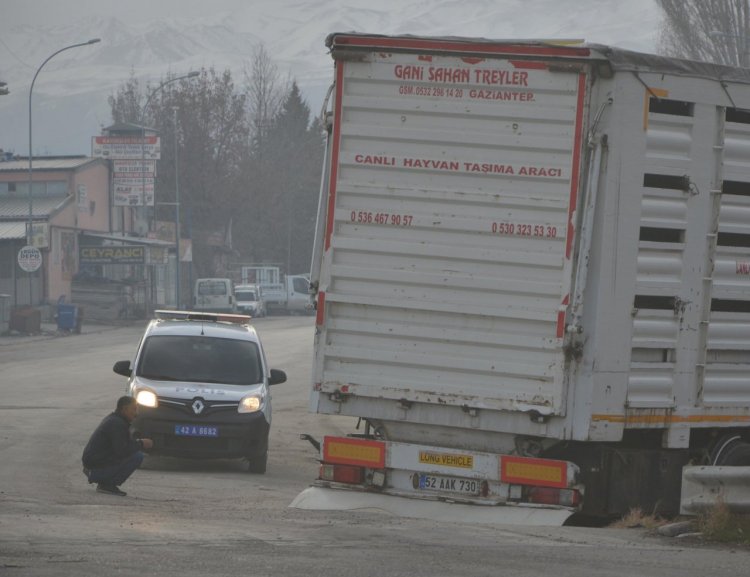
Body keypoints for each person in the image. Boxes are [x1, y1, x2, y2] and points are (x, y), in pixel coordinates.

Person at [82, 396, 153, 496]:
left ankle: (104, 482)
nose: (136, 413)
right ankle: (107, 485)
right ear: (124, 409)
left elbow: (124, 444)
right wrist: (141, 443)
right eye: (134, 409)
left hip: (94, 465)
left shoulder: (116, 420)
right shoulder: (117, 424)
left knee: (134, 453)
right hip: (95, 468)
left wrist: (137, 442)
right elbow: (122, 451)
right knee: (137, 457)